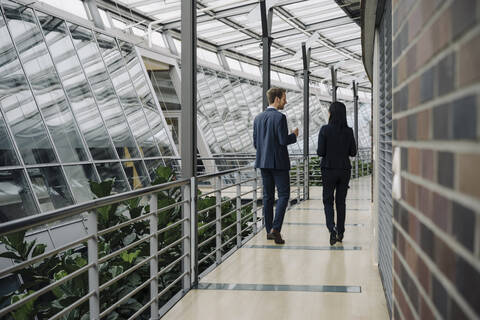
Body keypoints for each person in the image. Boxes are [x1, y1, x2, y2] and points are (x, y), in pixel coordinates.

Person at [253, 87, 299, 244]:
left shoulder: (258, 118)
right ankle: (275, 229)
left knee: (267, 197)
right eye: (284, 98)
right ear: (277, 99)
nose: (286, 101)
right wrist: (293, 135)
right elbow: (283, 141)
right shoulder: (280, 118)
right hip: (278, 163)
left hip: (263, 163)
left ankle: (268, 231)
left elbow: (255, 143)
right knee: (284, 195)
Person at [317, 101, 357, 245]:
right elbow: (353, 152)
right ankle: (341, 232)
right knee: (341, 202)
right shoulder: (349, 131)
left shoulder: (324, 130)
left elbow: (320, 152)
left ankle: (331, 229)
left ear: (331, 113)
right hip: (344, 170)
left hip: (328, 169)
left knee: (328, 200)